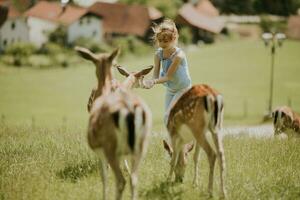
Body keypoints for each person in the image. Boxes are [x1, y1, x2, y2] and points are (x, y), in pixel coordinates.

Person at [143, 19, 192, 124]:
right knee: (167, 118)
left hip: (183, 89)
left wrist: (154, 82)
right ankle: (171, 139)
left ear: (174, 39)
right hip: (171, 89)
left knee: (169, 114)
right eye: (160, 40)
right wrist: (148, 83)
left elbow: (168, 77)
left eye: (166, 41)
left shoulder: (178, 56)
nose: (162, 44)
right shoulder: (158, 54)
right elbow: (155, 75)